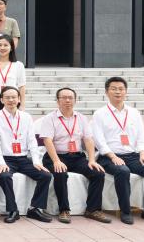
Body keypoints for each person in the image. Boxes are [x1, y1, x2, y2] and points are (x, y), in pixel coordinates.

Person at [92, 76, 144, 225]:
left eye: (121, 89)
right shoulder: (99, 114)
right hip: (108, 157)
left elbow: (141, 136)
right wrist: (113, 156)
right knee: (122, 171)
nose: (118, 92)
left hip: (132, 156)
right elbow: (99, 141)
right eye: (114, 89)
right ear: (106, 92)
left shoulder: (134, 112)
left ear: (126, 92)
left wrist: (143, 154)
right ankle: (125, 211)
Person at [39, 87, 112, 224]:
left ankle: (93, 210)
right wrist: (56, 161)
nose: (67, 100)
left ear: (75, 100)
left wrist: (91, 160)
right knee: (60, 173)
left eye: (70, 98)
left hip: (77, 157)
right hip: (56, 156)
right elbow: (47, 141)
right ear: (57, 101)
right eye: (64, 98)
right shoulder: (49, 118)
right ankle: (64, 210)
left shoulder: (81, 118)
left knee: (98, 173)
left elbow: (88, 140)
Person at [0, 86, 53, 223]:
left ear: (19, 99)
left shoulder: (26, 117)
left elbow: (32, 141)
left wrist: (36, 161)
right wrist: (1, 163)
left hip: (23, 159)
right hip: (4, 158)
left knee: (45, 175)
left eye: (14, 97)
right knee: (4, 176)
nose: (11, 100)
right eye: (7, 97)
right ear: (1, 100)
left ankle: (35, 209)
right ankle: (13, 210)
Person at [0, 35, 26, 114]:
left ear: (11, 47)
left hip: (12, 100)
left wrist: (22, 104)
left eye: (5, 45)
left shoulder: (18, 65)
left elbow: (21, 86)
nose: (2, 48)